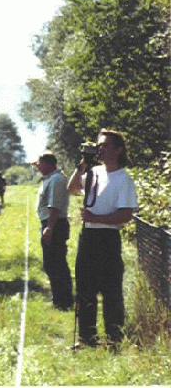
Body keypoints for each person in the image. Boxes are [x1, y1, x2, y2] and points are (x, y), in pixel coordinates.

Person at [67, 129, 138, 347]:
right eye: (99, 145)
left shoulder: (123, 179)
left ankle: (113, 338)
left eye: (106, 145)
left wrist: (97, 217)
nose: (101, 148)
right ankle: (87, 338)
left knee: (110, 288)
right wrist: (82, 165)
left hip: (108, 237)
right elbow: (72, 188)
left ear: (118, 150)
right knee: (85, 286)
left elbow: (126, 214)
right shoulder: (94, 172)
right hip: (88, 235)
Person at [33, 151, 73, 310]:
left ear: (48, 164)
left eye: (40, 164)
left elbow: (54, 206)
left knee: (55, 263)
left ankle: (63, 301)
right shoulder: (51, 177)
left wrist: (49, 228)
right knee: (52, 263)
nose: (38, 167)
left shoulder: (56, 180)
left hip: (55, 224)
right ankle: (60, 298)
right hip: (52, 223)